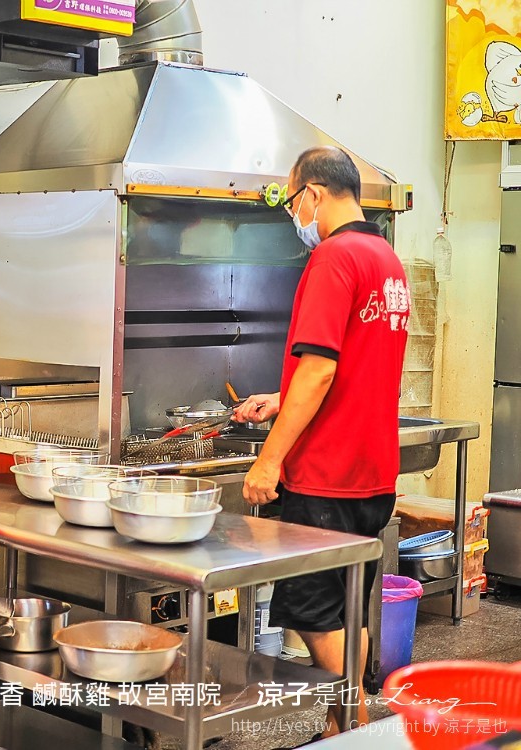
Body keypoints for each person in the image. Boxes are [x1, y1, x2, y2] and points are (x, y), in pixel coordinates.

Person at [234, 146, 409, 742]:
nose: (294, 214)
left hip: (326, 474)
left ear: (312, 193)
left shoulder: (334, 258)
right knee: (348, 608)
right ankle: (343, 726)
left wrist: (269, 458)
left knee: (310, 611)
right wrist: (280, 398)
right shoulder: (384, 257)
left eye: (291, 200)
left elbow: (319, 370)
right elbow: (350, 365)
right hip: (373, 471)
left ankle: (357, 728)